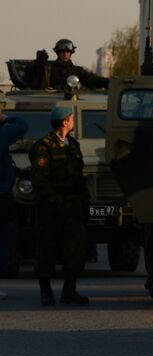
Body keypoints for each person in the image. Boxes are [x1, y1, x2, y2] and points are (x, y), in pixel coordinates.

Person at [28, 104, 89, 306]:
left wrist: (85, 201)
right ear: (65, 121)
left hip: (72, 205)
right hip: (50, 207)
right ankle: (46, 293)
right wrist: (53, 202)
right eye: (72, 118)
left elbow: (78, 177)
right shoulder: (43, 146)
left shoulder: (73, 145)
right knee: (46, 251)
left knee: (75, 250)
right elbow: (40, 179)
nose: (73, 122)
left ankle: (69, 291)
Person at [0, 99, 30, 300]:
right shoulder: (2, 134)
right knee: (2, 240)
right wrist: (5, 118)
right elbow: (22, 125)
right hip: (2, 196)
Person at [32, 39, 108, 91]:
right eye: (62, 52)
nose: (65, 54)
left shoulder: (76, 71)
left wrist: (108, 82)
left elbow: (92, 80)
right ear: (58, 53)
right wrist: (38, 66)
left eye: (68, 52)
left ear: (71, 53)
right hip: (50, 101)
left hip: (71, 102)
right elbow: (35, 83)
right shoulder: (48, 69)